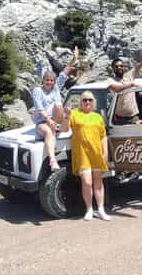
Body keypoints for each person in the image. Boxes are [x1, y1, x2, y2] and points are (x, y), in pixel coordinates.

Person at [60, 91, 111, 221]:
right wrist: (66, 115)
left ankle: (100, 210)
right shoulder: (75, 114)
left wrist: (105, 152)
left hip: (97, 153)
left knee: (98, 182)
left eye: (89, 100)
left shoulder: (97, 117)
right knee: (87, 182)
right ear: (80, 102)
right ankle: (89, 209)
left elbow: (103, 136)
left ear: (93, 102)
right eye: (84, 100)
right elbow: (64, 129)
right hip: (82, 154)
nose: (87, 102)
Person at [30, 46, 78, 171]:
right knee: (48, 132)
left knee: (58, 105)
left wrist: (75, 58)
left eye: (51, 80)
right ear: (43, 80)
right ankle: (52, 160)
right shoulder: (37, 90)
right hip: (42, 121)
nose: (49, 82)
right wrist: (48, 120)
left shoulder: (56, 89)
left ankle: (57, 126)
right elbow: (39, 108)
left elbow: (65, 72)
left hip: (55, 120)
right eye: (47, 80)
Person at [107, 36, 142, 125]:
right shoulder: (110, 80)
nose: (119, 68)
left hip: (133, 118)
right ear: (113, 68)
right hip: (119, 119)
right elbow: (116, 89)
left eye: (121, 66)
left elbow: (140, 63)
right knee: (120, 139)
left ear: (124, 67)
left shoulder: (129, 76)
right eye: (116, 66)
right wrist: (131, 84)